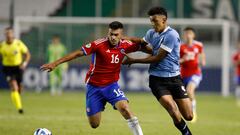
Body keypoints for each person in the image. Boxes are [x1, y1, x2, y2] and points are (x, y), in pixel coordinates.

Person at [40, 21, 144, 135]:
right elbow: (78, 53)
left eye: (116, 35)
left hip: (111, 86)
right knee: (94, 124)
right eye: (111, 34)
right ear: (108, 33)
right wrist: (55, 63)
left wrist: (158, 53)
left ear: (121, 35)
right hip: (94, 87)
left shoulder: (125, 44)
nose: (113, 37)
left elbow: (144, 46)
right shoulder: (98, 44)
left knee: (125, 108)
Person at [123, 7, 193, 135]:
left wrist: (134, 60)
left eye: (155, 21)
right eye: (151, 21)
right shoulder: (151, 33)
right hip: (157, 80)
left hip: (175, 79)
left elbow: (158, 58)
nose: (152, 24)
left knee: (189, 116)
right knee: (172, 108)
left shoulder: (172, 35)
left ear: (164, 19)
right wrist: (123, 38)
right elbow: (141, 42)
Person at [0, 27, 31, 114]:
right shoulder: (2, 45)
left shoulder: (18, 43)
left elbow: (27, 54)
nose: (8, 35)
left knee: (19, 88)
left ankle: (17, 99)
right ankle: (20, 108)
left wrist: (24, 64)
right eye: (7, 33)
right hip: (8, 68)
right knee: (14, 87)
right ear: (5, 35)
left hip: (18, 68)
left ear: (13, 34)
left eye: (10, 33)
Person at [179, 27, 206, 123]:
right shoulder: (180, 47)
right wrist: (183, 59)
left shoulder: (198, 45)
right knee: (183, 97)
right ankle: (186, 112)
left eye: (190, 33)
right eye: (186, 33)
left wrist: (202, 62)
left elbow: (202, 56)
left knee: (190, 91)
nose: (188, 35)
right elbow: (176, 62)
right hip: (183, 75)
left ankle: (193, 112)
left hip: (195, 73)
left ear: (193, 35)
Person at [232, 41, 240, 106]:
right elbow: (234, 64)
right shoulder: (236, 55)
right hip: (238, 73)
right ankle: (238, 100)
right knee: (238, 87)